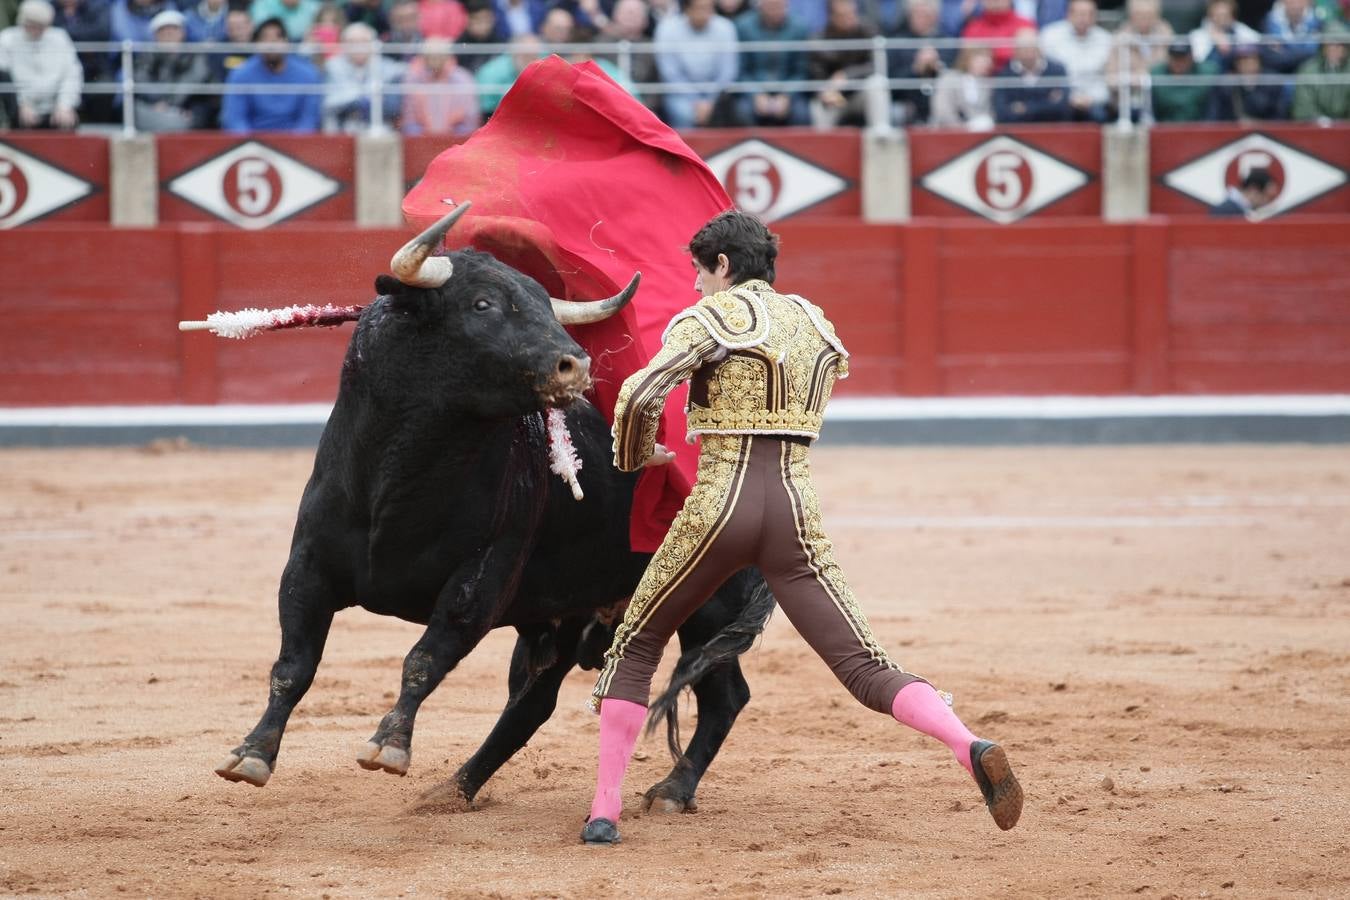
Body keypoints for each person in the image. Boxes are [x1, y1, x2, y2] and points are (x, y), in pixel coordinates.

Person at [580, 211, 1024, 846]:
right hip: (795, 507)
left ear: (723, 267)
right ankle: (966, 742)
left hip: (720, 503)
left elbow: (641, 392)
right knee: (864, 664)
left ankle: (603, 812)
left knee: (637, 645)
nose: (697, 287)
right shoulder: (814, 322)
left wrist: (635, 455)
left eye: (699, 274)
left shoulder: (709, 318)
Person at [221, 17, 323, 131]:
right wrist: (251, 145)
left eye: (277, 37)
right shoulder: (240, 75)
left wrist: (293, 145)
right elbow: (235, 120)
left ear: (287, 42)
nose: (271, 44)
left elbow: (309, 120)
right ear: (256, 44)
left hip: (297, 145)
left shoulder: (308, 75)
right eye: (265, 38)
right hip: (251, 145)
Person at [654, 0, 737, 128]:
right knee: (684, 114)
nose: (704, 14)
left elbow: (727, 72)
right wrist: (696, 101)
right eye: (700, 8)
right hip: (680, 95)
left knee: (729, 110)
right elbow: (670, 74)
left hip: (717, 95)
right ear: (687, 9)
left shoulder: (725, 27)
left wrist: (709, 101)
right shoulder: (667, 28)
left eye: (709, 8)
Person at [0, 0, 82, 129]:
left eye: (40, 26)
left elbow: (72, 74)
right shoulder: (7, 39)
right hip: (19, 113)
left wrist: (65, 105)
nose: (35, 29)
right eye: (31, 24)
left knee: (68, 122)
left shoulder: (60, 38)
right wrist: (21, 104)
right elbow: (5, 79)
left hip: (56, 111)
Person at [132, 9, 212, 131]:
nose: (169, 34)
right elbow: (141, 80)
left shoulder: (195, 56)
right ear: (155, 36)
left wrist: (170, 104)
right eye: (163, 31)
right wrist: (156, 101)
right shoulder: (146, 57)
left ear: (182, 33)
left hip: (187, 108)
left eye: (173, 29)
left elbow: (195, 80)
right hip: (153, 108)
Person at [733, 0, 810, 126]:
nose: (775, 10)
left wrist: (787, 95)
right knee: (742, 112)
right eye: (771, 6)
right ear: (760, 6)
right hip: (754, 89)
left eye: (779, 6)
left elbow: (801, 71)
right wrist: (755, 94)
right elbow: (741, 71)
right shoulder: (743, 27)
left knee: (801, 114)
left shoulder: (799, 28)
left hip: (787, 89)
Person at [322, 21, 402, 131]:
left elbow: (391, 108)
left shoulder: (390, 68)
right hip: (341, 130)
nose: (358, 47)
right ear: (343, 45)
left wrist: (352, 100)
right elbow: (329, 104)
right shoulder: (332, 66)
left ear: (374, 44)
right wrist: (366, 98)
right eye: (352, 42)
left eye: (363, 42)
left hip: (379, 131)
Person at [1039, 0, 1112, 120]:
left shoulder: (1106, 40)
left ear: (1095, 17)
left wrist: (1092, 98)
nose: (1084, 19)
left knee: (1100, 116)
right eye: (1079, 14)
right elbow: (1044, 73)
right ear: (1068, 14)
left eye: (1089, 14)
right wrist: (1068, 97)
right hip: (1059, 99)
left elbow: (1108, 78)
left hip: (1095, 101)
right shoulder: (1049, 36)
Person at [808, 0, 874, 128]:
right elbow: (816, 75)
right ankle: (821, 145)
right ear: (832, 16)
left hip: (859, 93)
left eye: (852, 13)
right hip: (832, 96)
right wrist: (824, 92)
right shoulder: (819, 39)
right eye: (843, 15)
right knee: (817, 108)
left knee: (877, 84)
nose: (849, 18)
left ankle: (880, 139)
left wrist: (846, 75)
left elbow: (875, 66)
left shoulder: (867, 31)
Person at [889, 0, 955, 125]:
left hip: (938, 101)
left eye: (924, 14)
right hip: (906, 100)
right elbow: (891, 80)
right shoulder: (898, 42)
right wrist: (915, 69)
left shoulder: (945, 42)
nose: (919, 19)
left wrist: (936, 65)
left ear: (934, 16)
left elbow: (953, 71)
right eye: (915, 14)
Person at [1106, 0, 1173, 119]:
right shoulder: (1119, 38)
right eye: (1139, 14)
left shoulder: (1167, 37)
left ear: (1157, 16)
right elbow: (1110, 79)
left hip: (1161, 100)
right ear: (1131, 16)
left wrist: (1146, 79)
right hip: (1127, 101)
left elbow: (1173, 73)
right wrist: (1131, 80)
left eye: (1148, 15)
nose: (1144, 19)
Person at [400, 35, 479, 134]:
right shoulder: (414, 78)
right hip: (422, 134)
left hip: (456, 132)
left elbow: (469, 115)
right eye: (431, 57)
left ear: (446, 57)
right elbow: (409, 115)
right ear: (424, 58)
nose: (435, 61)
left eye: (439, 56)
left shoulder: (462, 78)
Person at [995, 27, 1072, 121]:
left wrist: (1025, 108)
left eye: (1032, 48)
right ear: (1015, 50)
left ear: (1040, 48)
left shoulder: (1057, 70)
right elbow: (1002, 112)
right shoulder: (1004, 74)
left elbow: (1061, 107)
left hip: (1052, 128)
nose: (1029, 53)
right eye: (1024, 48)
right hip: (1017, 130)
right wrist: (1047, 103)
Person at [1205, 42, 1288, 121]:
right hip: (1232, 132)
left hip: (1267, 132)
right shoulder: (1225, 85)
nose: (1247, 63)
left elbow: (1280, 117)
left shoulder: (1272, 81)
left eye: (1252, 58)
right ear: (1235, 63)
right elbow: (1214, 117)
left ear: (1259, 60)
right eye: (1242, 60)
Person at [1291, 19, 1349, 121]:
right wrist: (1320, 120)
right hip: (1315, 129)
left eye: (1339, 45)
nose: (1334, 49)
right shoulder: (1308, 70)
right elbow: (1302, 107)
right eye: (1330, 44)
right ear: (1323, 47)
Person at [1150, 37, 1218, 121]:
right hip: (1166, 128)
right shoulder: (1157, 73)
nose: (1178, 62)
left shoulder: (1207, 71)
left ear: (1191, 57)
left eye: (1183, 57)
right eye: (1174, 57)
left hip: (1199, 128)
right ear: (1168, 58)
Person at [474, 31, 540, 115]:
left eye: (535, 55)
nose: (532, 60)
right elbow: (486, 108)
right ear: (514, 54)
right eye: (527, 55)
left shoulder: (541, 67)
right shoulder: (492, 73)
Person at [931, 43, 995, 127]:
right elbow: (943, 109)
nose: (987, 62)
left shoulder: (987, 84)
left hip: (979, 130)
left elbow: (989, 111)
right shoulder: (949, 79)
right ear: (968, 59)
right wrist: (960, 127)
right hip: (949, 129)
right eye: (982, 58)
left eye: (988, 59)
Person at [962, 0, 1036, 71]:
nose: (995, 0)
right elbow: (967, 62)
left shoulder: (1026, 26)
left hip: (1016, 80)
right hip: (982, 81)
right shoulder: (972, 29)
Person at [1187, 0, 1258, 69]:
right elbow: (1199, 62)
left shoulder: (1241, 30)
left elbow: (1259, 42)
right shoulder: (1197, 35)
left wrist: (1232, 49)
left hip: (1238, 75)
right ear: (1209, 16)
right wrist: (1215, 46)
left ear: (1232, 16)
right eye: (1217, 16)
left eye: (1225, 15)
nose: (1221, 20)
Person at [1261, 0, 1324, 73]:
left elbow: (1314, 53)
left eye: (1299, 1)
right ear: (1282, 1)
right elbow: (1272, 57)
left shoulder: (1318, 22)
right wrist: (1302, 51)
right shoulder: (1269, 21)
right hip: (1280, 72)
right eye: (1291, 1)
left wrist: (1285, 50)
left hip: (1309, 71)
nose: (1295, 6)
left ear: (1308, 2)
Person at [455, 0, 503, 71]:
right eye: (478, 20)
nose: (483, 25)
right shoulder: (459, 46)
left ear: (493, 18)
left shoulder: (500, 43)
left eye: (486, 19)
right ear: (468, 20)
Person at [1209, 167, 1278, 216]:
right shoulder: (1226, 212)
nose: (1267, 202)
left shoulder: (1232, 210)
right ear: (1253, 189)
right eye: (1267, 196)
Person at [249, 0, 321, 41]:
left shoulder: (314, 7)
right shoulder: (262, 5)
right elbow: (262, 31)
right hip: (271, 48)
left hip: (304, 47)